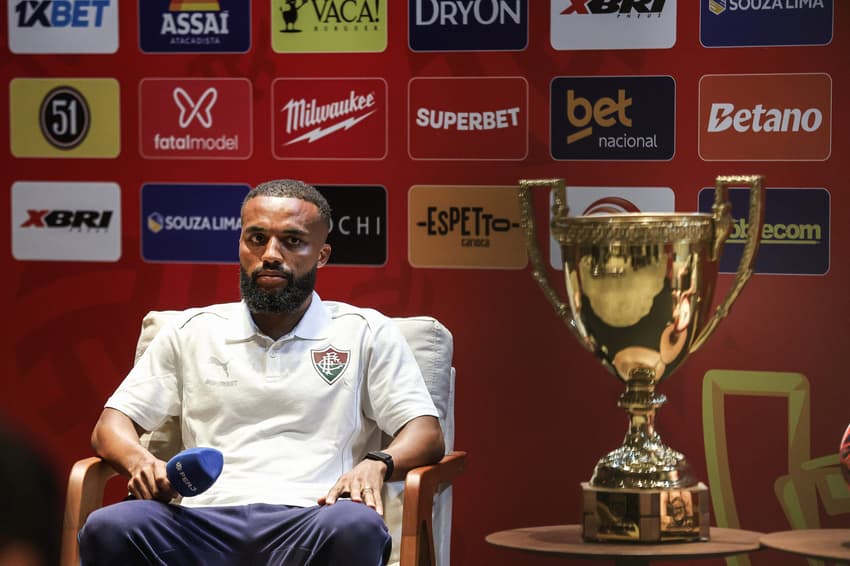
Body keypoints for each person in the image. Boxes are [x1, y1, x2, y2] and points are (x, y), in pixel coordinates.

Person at [78, 179, 445, 565]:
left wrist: (378, 463)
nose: (270, 254)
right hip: (199, 521)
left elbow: (426, 432)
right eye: (256, 239)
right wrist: (140, 462)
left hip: (314, 515)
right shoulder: (190, 331)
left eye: (292, 241)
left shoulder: (365, 332)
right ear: (240, 244)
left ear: (321, 255)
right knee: (109, 526)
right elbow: (110, 426)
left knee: (356, 526)